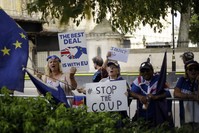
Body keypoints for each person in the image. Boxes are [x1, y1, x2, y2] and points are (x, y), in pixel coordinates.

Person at [129, 61, 172, 127]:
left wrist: (156, 97)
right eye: (143, 71)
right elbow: (131, 92)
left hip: (157, 115)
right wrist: (140, 97)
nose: (145, 73)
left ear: (152, 71)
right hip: (142, 115)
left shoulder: (159, 79)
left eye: (147, 70)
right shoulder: (138, 80)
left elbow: (169, 93)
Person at [100, 60, 130, 128]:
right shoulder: (103, 82)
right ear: (107, 70)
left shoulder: (123, 83)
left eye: (113, 67)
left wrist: (126, 96)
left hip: (120, 115)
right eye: (109, 67)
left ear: (118, 71)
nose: (111, 68)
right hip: (106, 114)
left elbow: (127, 101)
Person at [174, 60, 199, 129]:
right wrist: (192, 96)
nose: (193, 71)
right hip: (185, 116)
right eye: (190, 69)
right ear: (186, 71)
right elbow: (176, 93)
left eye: (196, 69)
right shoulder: (182, 80)